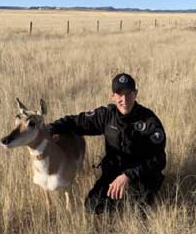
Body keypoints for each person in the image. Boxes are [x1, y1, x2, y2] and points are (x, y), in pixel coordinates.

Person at [46, 73, 166, 214]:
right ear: (113, 96)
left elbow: (159, 159)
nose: (125, 99)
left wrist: (128, 175)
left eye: (129, 93)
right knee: (93, 206)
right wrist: (48, 129)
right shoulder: (106, 116)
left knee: (136, 211)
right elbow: (75, 122)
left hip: (142, 175)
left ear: (136, 93)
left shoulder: (149, 121)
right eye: (119, 94)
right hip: (114, 173)